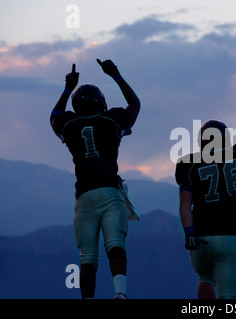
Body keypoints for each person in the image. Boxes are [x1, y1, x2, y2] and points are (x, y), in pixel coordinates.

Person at [50, 59, 141, 299]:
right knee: (116, 246)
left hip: (84, 196)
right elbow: (134, 103)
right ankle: (120, 294)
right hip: (109, 192)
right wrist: (116, 75)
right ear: (101, 103)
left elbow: (54, 115)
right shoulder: (111, 120)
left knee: (88, 257)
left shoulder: (68, 125)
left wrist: (68, 88)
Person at [175, 102, 236, 299]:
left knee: (204, 278)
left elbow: (185, 203)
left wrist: (189, 232)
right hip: (229, 236)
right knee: (228, 296)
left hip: (199, 237)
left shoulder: (188, 164)